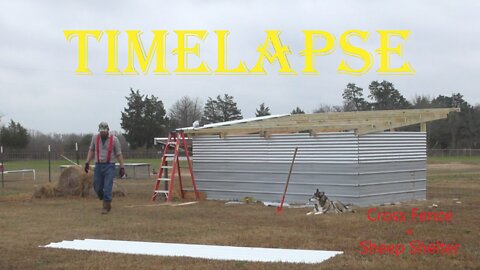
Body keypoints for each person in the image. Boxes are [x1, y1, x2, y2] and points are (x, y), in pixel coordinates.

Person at [84, 122, 125, 214]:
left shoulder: (114, 140)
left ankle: (106, 206)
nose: (102, 133)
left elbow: (119, 154)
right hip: (98, 165)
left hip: (109, 165)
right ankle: (105, 198)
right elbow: (91, 150)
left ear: (108, 130)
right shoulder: (95, 138)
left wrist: (122, 167)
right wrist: (87, 162)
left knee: (107, 186)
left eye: (104, 131)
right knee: (97, 186)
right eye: (101, 131)